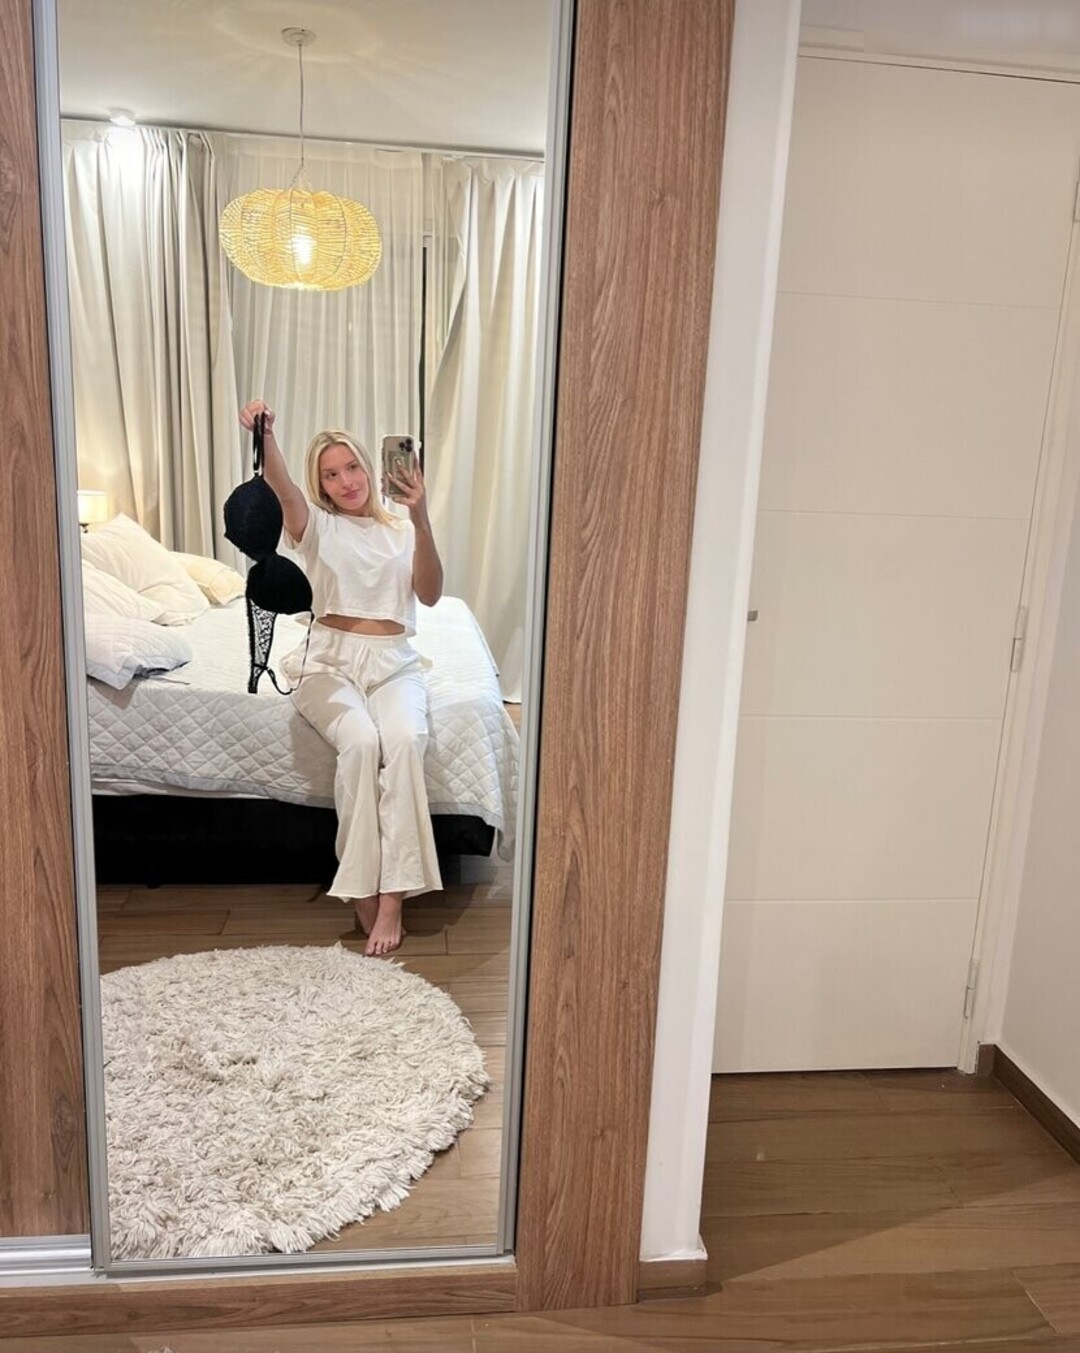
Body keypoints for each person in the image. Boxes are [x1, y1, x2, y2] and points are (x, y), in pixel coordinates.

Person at [238, 399, 443, 956]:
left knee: (406, 740)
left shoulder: (402, 529)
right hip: (329, 662)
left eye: (352, 467)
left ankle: (394, 896)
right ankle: (359, 889)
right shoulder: (317, 525)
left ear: (369, 468)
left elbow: (429, 595)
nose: (346, 481)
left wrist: (421, 518)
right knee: (360, 743)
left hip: (393, 661)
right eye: (331, 474)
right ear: (321, 485)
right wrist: (266, 435)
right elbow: (282, 490)